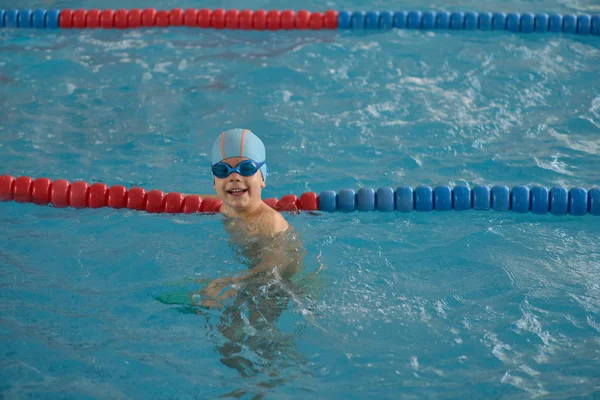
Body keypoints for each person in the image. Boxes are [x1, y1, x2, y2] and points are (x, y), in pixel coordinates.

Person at [194, 128, 303, 307]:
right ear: (214, 182)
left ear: (262, 177)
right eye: (222, 171)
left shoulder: (268, 221)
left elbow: (273, 267)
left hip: (281, 287)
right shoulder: (228, 206)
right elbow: (198, 199)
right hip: (255, 275)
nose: (234, 177)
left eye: (246, 169)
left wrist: (230, 282)